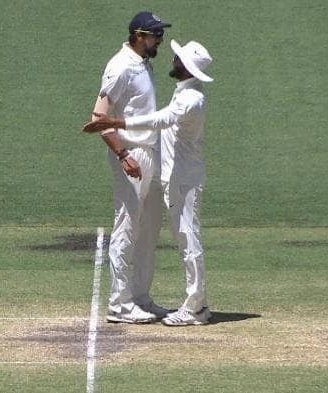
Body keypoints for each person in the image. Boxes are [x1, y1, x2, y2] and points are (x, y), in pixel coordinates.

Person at [84, 40, 214, 326]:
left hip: (183, 178)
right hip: (175, 175)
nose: (173, 60)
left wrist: (117, 123)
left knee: (188, 239)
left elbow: (160, 120)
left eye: (178, 59)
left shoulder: (189, 99)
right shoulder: (185, 92)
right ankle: (145, 300)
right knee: (180, 237)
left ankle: (195, 307)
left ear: (187, 68)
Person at [91, 11, 172, 324]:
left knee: (149, 229)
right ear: (139, 36)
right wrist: (123, 155)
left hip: (151, 152)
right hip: (132, 155)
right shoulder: (120, 66)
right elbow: (99, 118)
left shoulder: (143, 63)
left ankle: (140, 298)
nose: (159, 41)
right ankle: (119, 303)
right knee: (127, 226)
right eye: (155, 36)